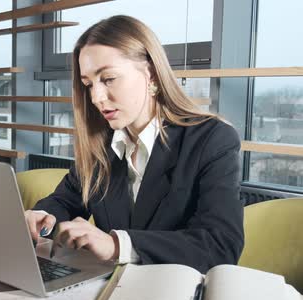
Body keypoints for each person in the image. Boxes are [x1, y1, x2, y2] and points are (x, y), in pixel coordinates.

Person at [25, 15, 243, 273]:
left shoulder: (211, 138)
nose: (96, 97)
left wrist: (117, 246)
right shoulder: (101, 145)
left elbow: (220, 245)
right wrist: (42, 217)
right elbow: (64, 200)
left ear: (150, 73)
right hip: (109, 289)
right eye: (88, 84)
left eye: (108, 79)